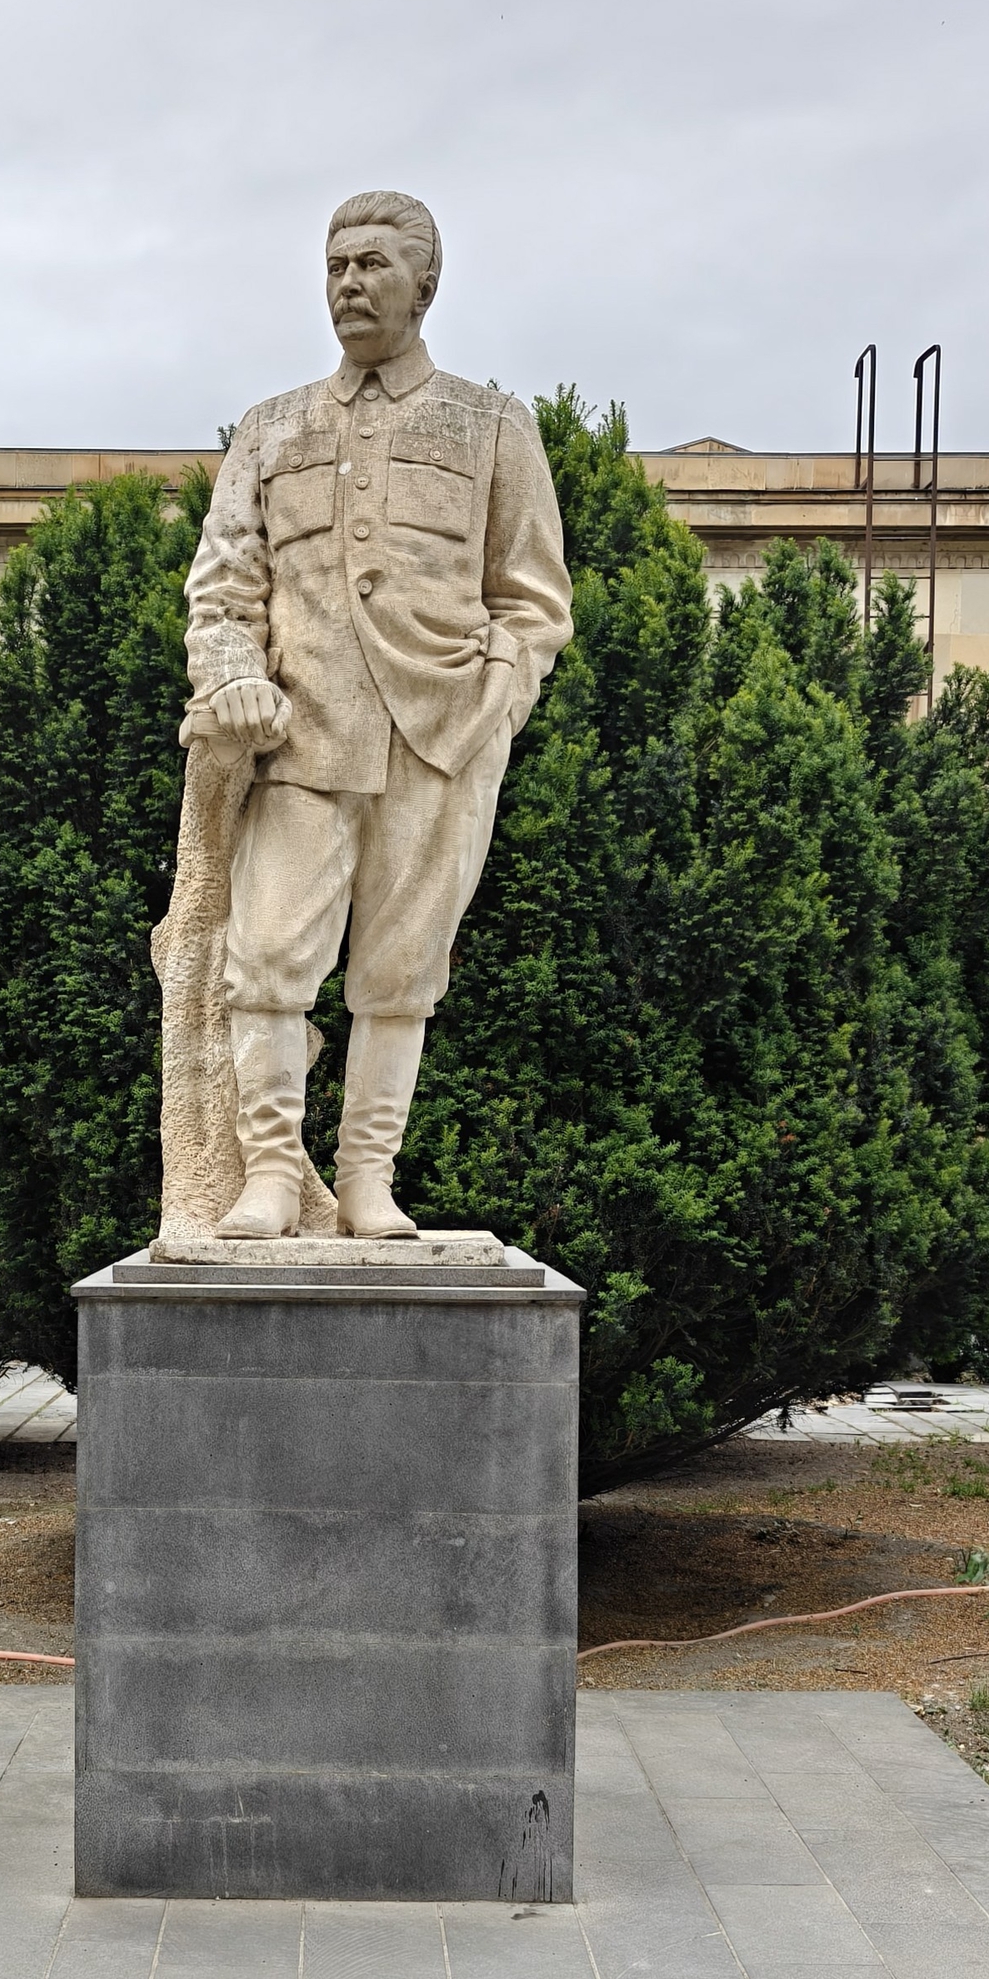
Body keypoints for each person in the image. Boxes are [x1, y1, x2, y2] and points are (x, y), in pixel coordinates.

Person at [183, 191, 572, 1239]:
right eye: (335, 265)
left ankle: (366, 1179)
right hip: (300, 739)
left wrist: (497, 700)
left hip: (441, 740)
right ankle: (270, 1171)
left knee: (401, 975)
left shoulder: (492, 425)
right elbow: (222, 586)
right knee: (264, 961)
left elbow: (533, 599)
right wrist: (229, 676)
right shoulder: (271, 428)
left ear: (423, 283)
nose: (349, 283)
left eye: (372, 265)